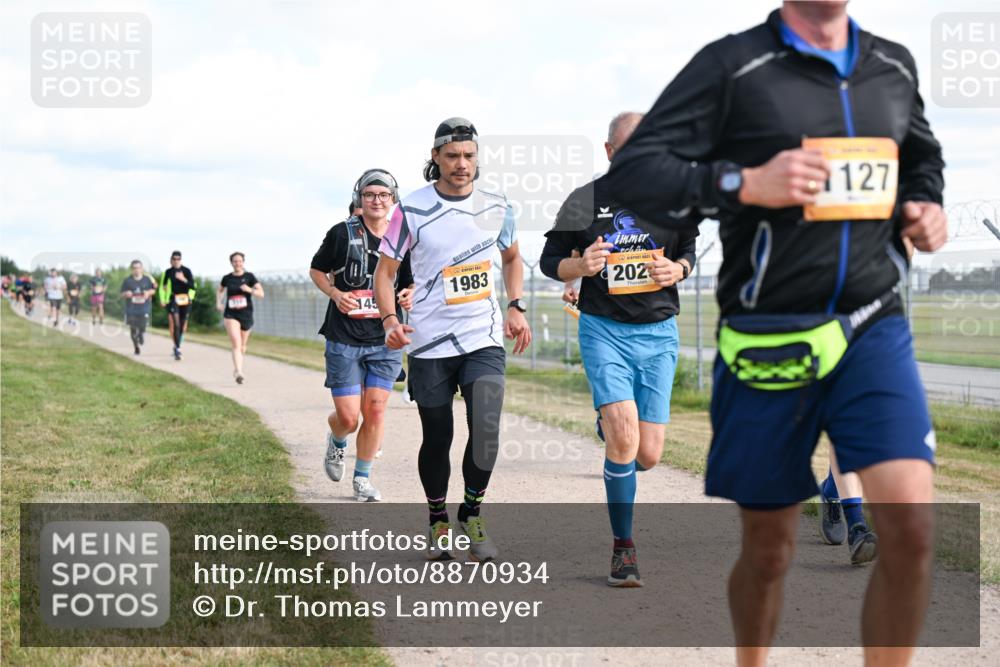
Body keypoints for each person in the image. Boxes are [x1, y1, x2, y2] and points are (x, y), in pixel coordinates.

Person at [606, 2, 946, 664]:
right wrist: (744, 181)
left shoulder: (891, 64)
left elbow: (922, 157)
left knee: (909, 531)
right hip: (768, 334)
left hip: (873, 323)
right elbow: (637, 171)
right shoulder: (732, 65)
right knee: (769, 551)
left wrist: (926, 204)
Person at [541, 111, 696, 587]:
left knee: (647, 454)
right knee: (625, 439)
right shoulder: (583, 201)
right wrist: (579, 266)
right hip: (604, 329)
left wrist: (680, 270)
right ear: (610, 152)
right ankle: (623, 549)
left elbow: (688, 248)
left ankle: (611, 422)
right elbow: (551, 261)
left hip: (658, 333)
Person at [374, 117, 532, 562]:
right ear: (435, 158)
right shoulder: (412, 209)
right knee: (438, 434)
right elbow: (384, 273)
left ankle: (473, 512)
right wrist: (390, 320)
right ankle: (438, 518)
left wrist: (516, 305)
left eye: (469, 156)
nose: (462, 164)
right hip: (428, 342)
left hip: (482, 335)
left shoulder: (498, 204)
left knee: (486, 429)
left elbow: (513, 257)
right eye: (452, 156)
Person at [310, 169, 415, 502]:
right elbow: (316, 268)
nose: (377, 200)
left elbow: (413, 279)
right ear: (360, 198)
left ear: (393, 200)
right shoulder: (341, 233)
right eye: (370, 194)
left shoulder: (404, 237)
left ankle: (363, 479)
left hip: (385, 338)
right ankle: (337, 440)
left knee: (376, 411)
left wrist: (410, 293)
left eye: (383, 195)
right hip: (344, 337)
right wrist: (335, 293)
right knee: (348, 417)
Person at [217, 252, 263, 384]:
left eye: (239, 261)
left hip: (246, 315)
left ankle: (238, 366)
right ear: (231, 263)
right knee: (236, 343)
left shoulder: (249, 277)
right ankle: (239, 371)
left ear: (243, 262)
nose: (237, 263)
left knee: (242, 346)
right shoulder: (227, 278)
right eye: (235, 261)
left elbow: (261, 293)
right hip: (231, 314)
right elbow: (220, 290)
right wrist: (218, 302)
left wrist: (249, 290)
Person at [158, 251, 196, 361]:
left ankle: (177, 345)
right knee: (176, 324)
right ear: (171, 260)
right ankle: (178, 349)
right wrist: (163, 298)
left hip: (185, 299)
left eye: (178, 259)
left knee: (183, 324)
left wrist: (183, 279)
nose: (176, 260)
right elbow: (163, 286)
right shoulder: (168, 272)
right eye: (174, 259)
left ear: (181, 259)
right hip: (174, 299)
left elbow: (193, 286)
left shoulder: (186, 271)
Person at [120, 260, 156, 355]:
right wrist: (126, 294)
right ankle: (136, 347)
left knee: (142, 326)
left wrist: (148, 292)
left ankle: (141, 333)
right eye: (135, 268)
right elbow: (122, 294)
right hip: (131, 309)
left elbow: (153, 290)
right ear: (132, 269)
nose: (137, 270)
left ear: (142, 269)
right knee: (133, 329)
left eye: (138, 268)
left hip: (143, 307)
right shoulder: (127, 281)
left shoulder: (147, 280)